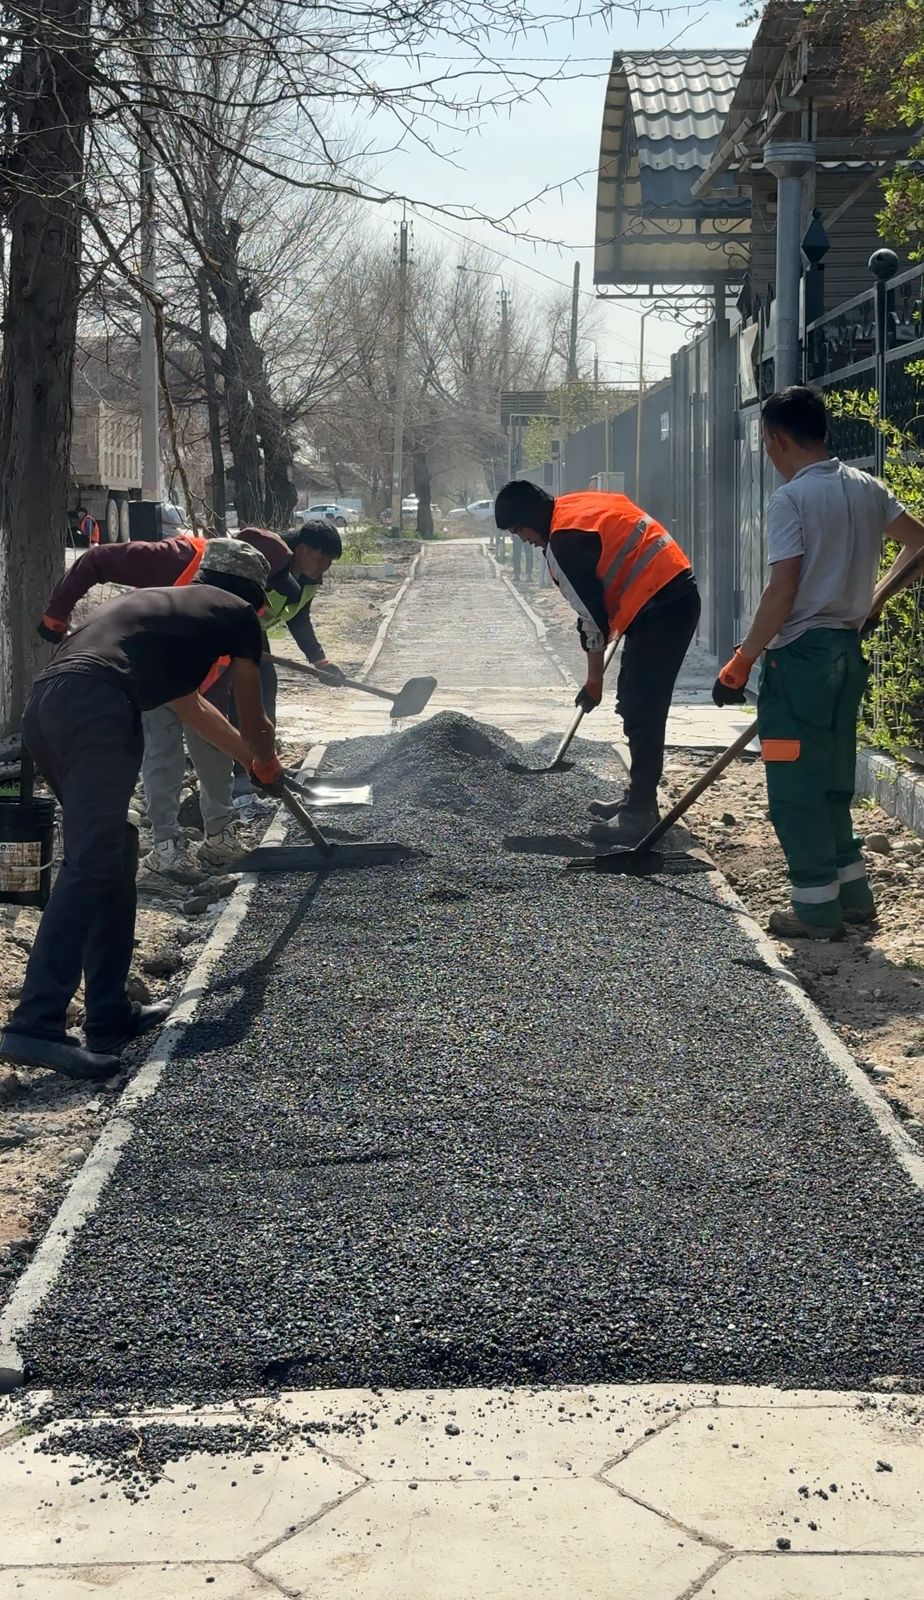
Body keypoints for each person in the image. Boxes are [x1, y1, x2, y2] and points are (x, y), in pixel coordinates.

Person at [1, 540, 278, 1081]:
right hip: (99, 707)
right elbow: (254, 716)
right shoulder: (239, 614)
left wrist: (253, 760)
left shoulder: (161, 609)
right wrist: (264, 760)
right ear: (252, 595)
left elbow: (194, 708)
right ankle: (34, 1023)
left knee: (114, 850)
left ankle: (108, 1014)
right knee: (92, 861)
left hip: (50, 707)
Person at [712, 385, 924, 940]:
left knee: (793, 789)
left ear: (777, 439)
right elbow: (920, 542)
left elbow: (782, 590)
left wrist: (741, 661)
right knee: (831, 781)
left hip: (800, 663)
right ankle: (853, 897)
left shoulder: (792, 499)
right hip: (845, 658)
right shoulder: (865, 487)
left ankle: (814, 911)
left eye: (765, 442)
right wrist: (873, 599)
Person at [494, 480, 701, 844]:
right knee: (635, 701)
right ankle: (637, 798)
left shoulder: (563, 541)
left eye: (517, 530)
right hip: (668, 593)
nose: (521, 539)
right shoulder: (577, 507)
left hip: (663, 603)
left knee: (642, 707)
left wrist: (593, 683)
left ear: (529, 518)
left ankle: (639, 812)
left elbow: (592, 622)